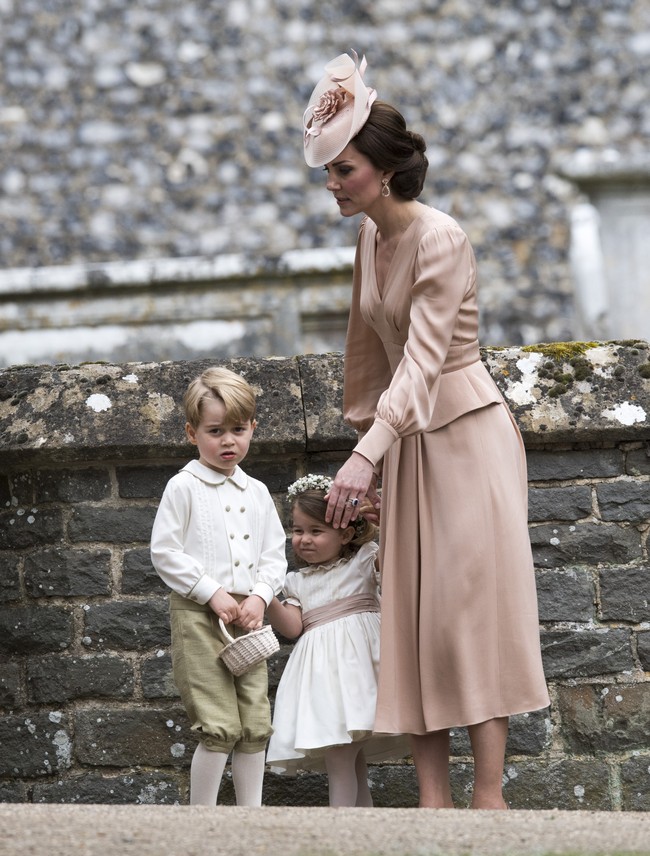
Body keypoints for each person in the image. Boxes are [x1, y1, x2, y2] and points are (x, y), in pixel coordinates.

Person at [302, 51, 550, 809]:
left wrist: (363, 455)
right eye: (329, 172)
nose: (333, 185)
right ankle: (432, 801)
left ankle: (489, 796)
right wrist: (368, 456)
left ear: (381, 169)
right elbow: (367, 359)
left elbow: (422, 361)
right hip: (404, 443)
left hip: (466, 435)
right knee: (412, 610)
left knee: (470, 606)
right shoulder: (369, 240)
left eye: (343, 170)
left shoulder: (440, 239)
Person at [150, 366, 287, 806]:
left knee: (254, 723)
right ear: (192, 433)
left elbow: (274, 553)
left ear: (253, 429)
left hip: (248, 620)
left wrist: (262, 596)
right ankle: (202, 821)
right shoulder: (183, 487)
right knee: (218, 723)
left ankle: (251, 819)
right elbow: (165, 551)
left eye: (238, 429)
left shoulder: (258, 492)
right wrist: (211, 591)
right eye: (215, 430)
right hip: (199, 615)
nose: (228, 441)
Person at [265, 474, 408, 807]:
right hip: (325, 680)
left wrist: (386, 520)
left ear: (344, 534)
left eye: (316, 531)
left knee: (342, 756)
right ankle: (360, 831)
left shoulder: (363, 561)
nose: (305, 540)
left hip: (361, 673)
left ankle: (340, 830)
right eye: (298, 531)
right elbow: (292, 628)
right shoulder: (297, 581)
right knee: (347, 757)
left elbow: (394, 563)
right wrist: (268, 597)